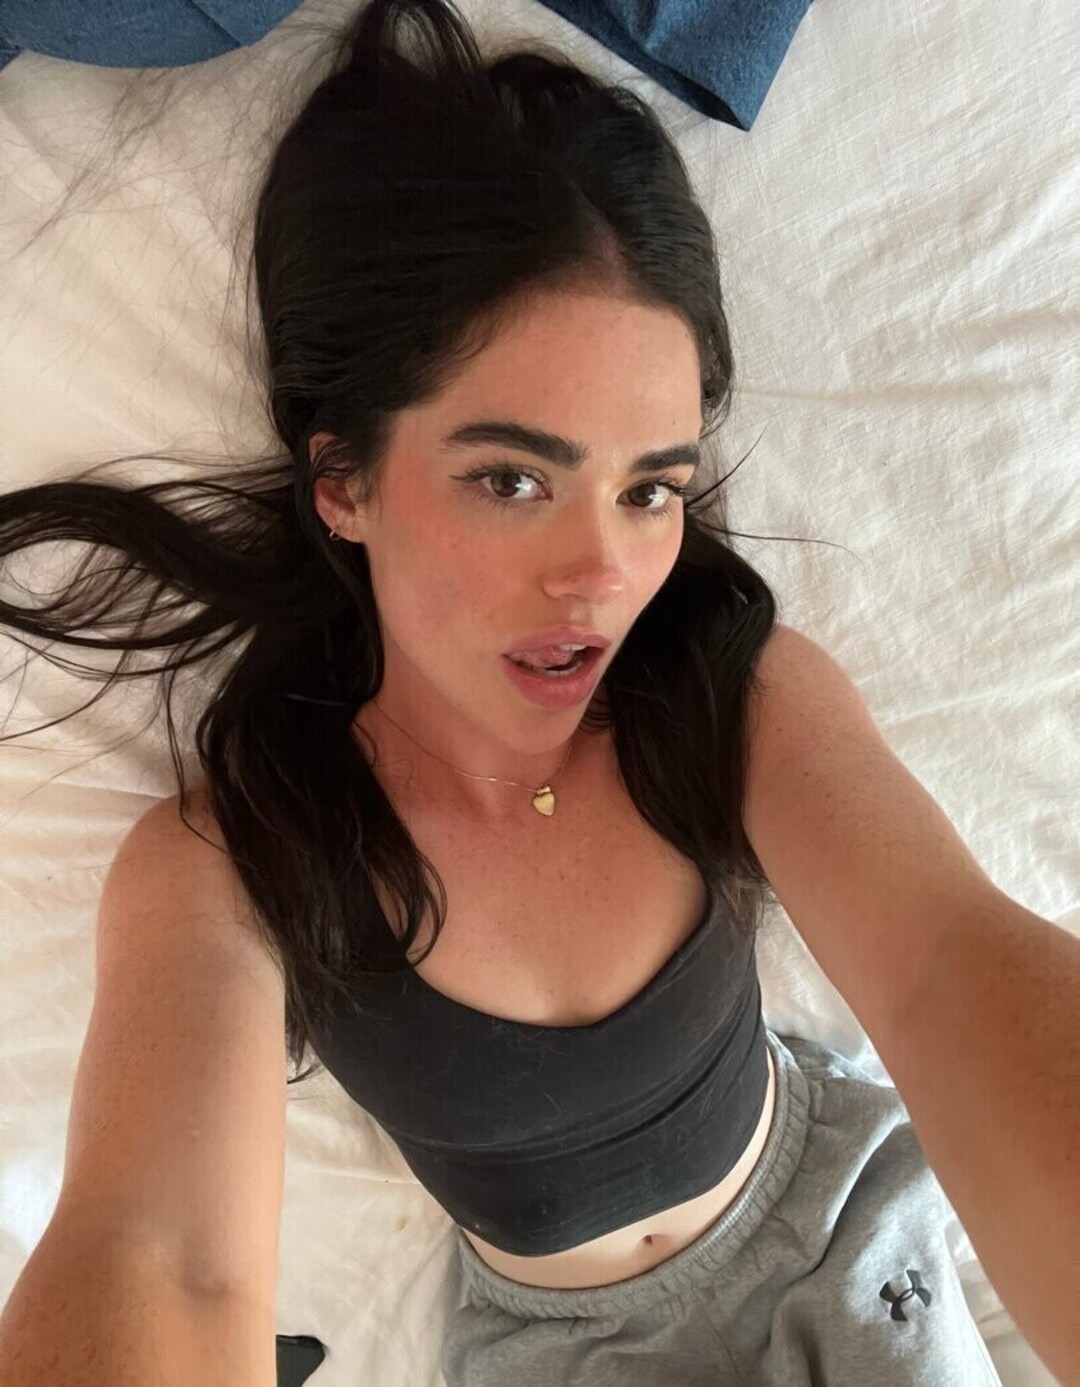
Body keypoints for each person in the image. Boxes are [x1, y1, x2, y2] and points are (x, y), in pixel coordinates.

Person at [0, 2, 1076, 1384]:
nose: (603, 576)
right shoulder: (237, 857)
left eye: (651, 490)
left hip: (835, 1233)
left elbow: (947, 967)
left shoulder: (728, 696)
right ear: (344, 481)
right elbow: (161, 1252)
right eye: (512, 479)